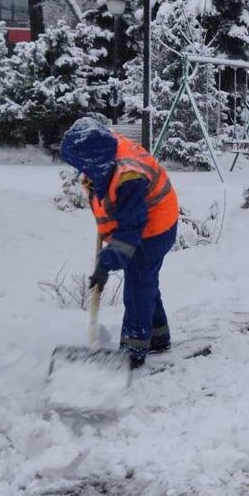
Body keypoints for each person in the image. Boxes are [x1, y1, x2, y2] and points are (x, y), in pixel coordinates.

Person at [60, 117, 180, 369]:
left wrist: (106, 262)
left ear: (93, 157)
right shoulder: (105, 151)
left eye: (82, 164)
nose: (80, 170)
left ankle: (133, 350)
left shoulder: (129, 177)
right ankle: (157, 336)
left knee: (138, 286)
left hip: (154, 228)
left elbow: (130, 230)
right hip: (145, 222)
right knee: (143, 280)